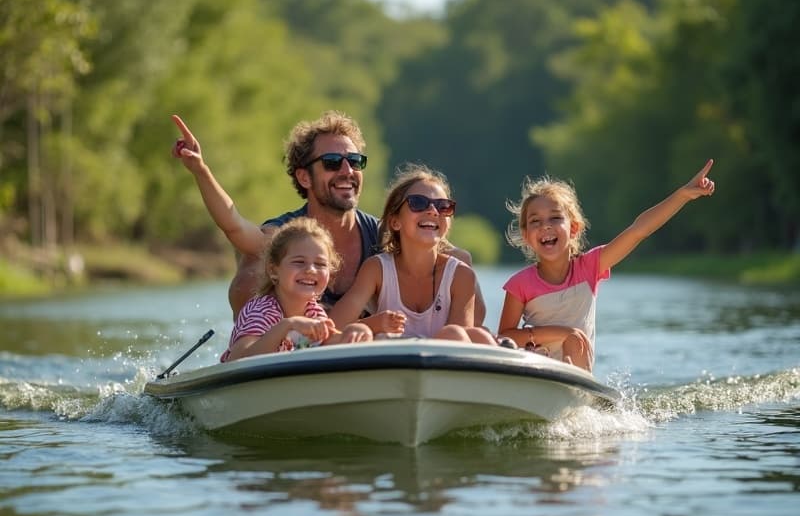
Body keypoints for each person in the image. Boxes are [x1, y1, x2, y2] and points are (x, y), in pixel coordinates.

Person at [171, 112, 486, 324]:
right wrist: (201, 170)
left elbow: (438, 245)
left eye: (355, 161)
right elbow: (235, 227)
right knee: (252, 268)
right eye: (333, 162)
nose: (347, 171)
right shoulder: (287, 233)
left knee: (458, 257)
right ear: (305, 178)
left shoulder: (384, 232)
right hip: (290, 338)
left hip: (358, 342)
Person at [497, 159, 716, 372]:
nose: (545, 226)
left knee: (573, 343)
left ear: (574, 228)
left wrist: (683, 195)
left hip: (576, 373)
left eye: (555, 218)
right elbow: (504, 337)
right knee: (566, 340)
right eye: (536, 221)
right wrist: (560, 332)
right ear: (526, 236)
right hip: (536, 368)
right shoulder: (519, 285)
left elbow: (639, 230)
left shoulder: (590, 267)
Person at [330, 164, 496, 344]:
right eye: (418, 203)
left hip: (442, 367)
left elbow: (459, 345)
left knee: (459, 335)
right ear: (395, 222)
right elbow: (335, 326)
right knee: (359, 330)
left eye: (443, 206)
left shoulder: (462, 276)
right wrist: (373, 324)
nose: (433, 211)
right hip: (389, 365)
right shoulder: (377, 269)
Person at [221, 217, 372, 362]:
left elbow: (327, 343)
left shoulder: (314, 312)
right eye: (299, 262)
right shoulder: (261, 310)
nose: (311, 270)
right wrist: (288, 325)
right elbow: (237, 359)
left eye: (320, 264)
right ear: (273, 270)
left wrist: (354, 332)